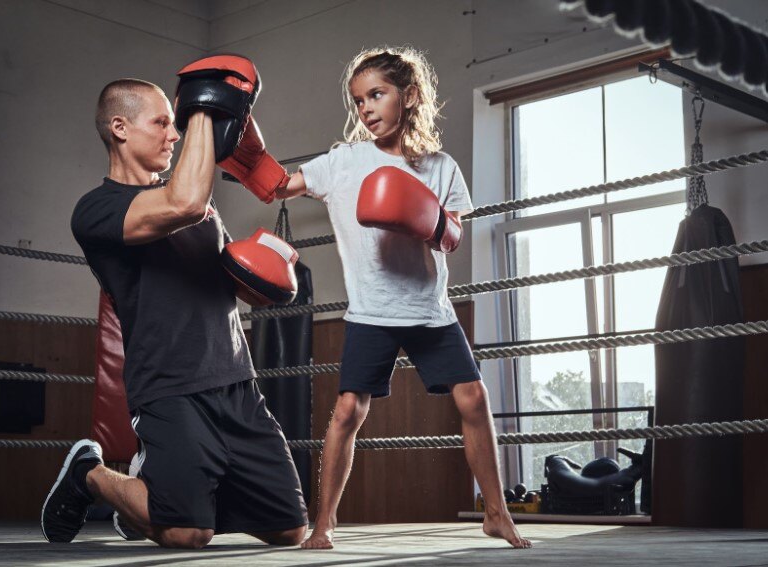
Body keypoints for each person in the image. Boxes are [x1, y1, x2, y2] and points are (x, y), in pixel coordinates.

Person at [40, 55, 308, 549]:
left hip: (235, 381)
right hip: (170, 385)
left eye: (175, 121)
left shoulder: (203, 211)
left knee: (288, 529)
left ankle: (151, 499)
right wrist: (204, 107)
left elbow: (228, 284)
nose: (174, 133)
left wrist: (267, 277)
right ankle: (90, 474)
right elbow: (179, 204)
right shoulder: (97, 210)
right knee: (186, 533)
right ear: (120, 128)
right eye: (162, 122)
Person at [275, 46, 532, 550]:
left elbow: (453, 236)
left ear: (408, 95)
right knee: (349, 410)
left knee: (474, 399)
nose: (366, 108)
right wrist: (238, 150)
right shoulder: (344, 161)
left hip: (430, 309)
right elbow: (282, 185)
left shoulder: (440, 167)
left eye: (377, 94)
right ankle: (323, 523)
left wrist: (421, 215)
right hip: (372, 311)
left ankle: (496, 513)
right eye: (358, 101)